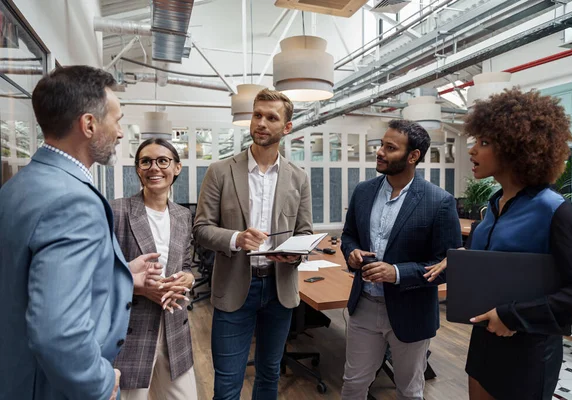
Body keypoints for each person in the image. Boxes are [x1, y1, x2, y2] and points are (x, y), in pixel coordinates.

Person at [423, 88, 572, 400]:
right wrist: (465, 260)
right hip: (482, 342)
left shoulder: (553, 209)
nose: (473, 151)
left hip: (529, 352)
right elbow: (504, 266)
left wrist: (515, 316)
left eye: (485, 143)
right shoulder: (492, 207)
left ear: (517, 148)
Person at [0, 65, 161, 400]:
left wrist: (118, 276)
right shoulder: (74, 201)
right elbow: (58, 333)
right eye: (116, 121)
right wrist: (103, 383)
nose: (119, 134)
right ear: (89, 124)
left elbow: (26, 282)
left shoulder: (18, 186)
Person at [193, 88, 312, 400]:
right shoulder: (220, 171)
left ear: (286, 128)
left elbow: (305, 231)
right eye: (257, 115)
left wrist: (294, 255)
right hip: (234, 288)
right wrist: (236, 238)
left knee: (269, 374)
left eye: (271, 118)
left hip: (279, 289)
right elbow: (201, 229)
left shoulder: (299, 178)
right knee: (228, 382)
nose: (261, 122)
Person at [341, 119, 462, 399]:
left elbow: (448, 266)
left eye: (390, 147)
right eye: (381, 145)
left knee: (409, 389)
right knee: (353, 384)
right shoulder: (363, 191)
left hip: (411, 311)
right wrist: (352, 252)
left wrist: (396, 272)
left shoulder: (439, 201)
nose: (380, 152)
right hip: (364, 307)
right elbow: (348, 236)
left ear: (413, 156)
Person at [110, 138, 197, 399]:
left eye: (163, 161)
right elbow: (100, 271)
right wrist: (138, 288)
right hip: (131, 330)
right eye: (145, 161)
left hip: (174, 327)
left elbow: (187, 265)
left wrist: (188, 279)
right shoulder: (118, 211)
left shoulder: (183, 215)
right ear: (138, 169)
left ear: (177, 168)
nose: (154, 168)